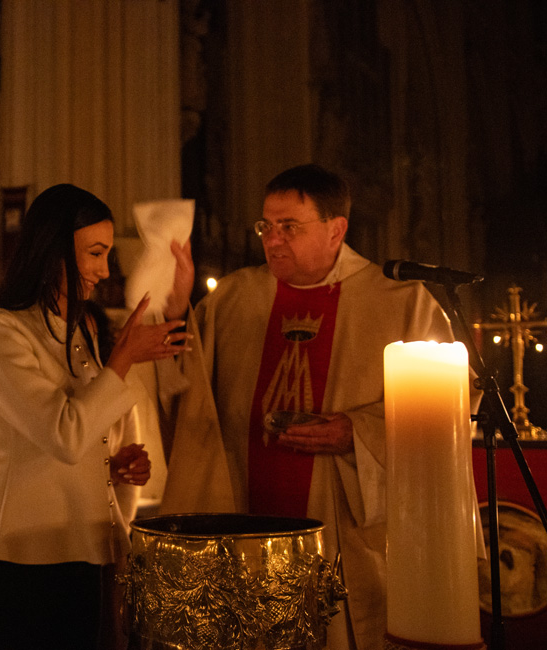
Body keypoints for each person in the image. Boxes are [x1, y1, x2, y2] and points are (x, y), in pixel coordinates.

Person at [158, 163, 455, 650]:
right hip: (244, 512)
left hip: (341, 524)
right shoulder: (234, 297)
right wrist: (174, 310)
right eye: (266, 226)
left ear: (336, 229)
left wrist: (356, 431)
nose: (272, 240)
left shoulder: (401, 300)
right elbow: (183, 391)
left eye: (289, 227)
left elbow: (448, 407)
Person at [0, 183, 188, 650]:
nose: (104, 271)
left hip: (83, 546)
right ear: (52, 249)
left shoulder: (78, 325)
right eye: (95, 254)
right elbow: (63, 434)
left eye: (107, 255)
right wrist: (122, 360)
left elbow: (80, 433)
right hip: (19, 555)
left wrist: (111, 464)